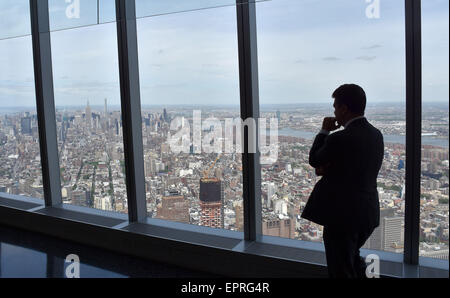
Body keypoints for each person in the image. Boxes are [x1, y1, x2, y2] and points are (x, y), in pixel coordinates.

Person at [301, 84, 384, 278]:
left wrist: (324, 131)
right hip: (368, 213)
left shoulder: (340, 139)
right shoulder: (376, 135)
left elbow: (315, 159)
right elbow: (356, 167)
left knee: (340, 268)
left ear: (344, 108)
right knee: (352, 259)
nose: (335, 113)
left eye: (335, 108)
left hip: (342, 216)